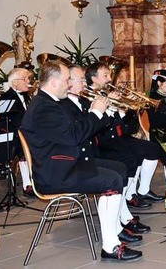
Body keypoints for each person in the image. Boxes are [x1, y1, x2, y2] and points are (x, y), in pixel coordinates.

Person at [19, 61, 142, 261]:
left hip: (66, 163)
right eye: (67, 80)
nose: (69, 85)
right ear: (54, 81)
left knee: (119, 168)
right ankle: (110, 246)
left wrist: (98, 113)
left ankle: (116, 228)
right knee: (111, 180)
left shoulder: (50, 102)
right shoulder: (43, 108)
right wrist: (95, 112)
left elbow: (76, 130)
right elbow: (74, 136)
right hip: (55, 173)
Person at [61, 65, 149, 235]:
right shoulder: (69, 104)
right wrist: (101, 111)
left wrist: (113, 110)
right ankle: (120, 222)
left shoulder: (79, 100)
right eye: (81, 80)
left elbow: (102, 125)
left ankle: (122, 216)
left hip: (92, 149)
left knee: (128, 161)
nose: (84, 84)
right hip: (89, 152)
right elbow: (89, 131)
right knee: (122, 164)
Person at [85, 62, 164, 209]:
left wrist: (123, 109)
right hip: (103, 141)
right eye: (105, 75)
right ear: (94, 79)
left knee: (153, 148)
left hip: (116, 135)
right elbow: (99, 125)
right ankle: (129, 196)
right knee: (133, 156)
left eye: (109, 75)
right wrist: (112, 108)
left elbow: (117, 121)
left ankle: (142, 190)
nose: (109, 79)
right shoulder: (87, 97)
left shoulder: (103, 93)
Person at [0, 67, 34, 197]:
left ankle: (28, 185)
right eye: (25, 79)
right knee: (2, 156)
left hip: (19, 133)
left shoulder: (26, 96)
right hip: (7, 133)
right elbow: (5, 118)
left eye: (28, 78)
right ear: (15, 83)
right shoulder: (6, 96)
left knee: (25, 150)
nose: (28, 81)